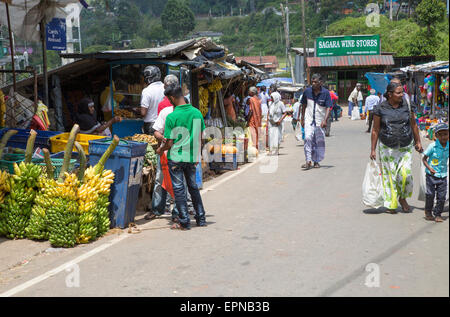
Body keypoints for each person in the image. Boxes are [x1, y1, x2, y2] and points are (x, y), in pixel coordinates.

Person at [157, 85, 207, 230]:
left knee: (179, 189)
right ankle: (201, 218)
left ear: (172, 98)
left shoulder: (172, 117)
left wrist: (161, 149)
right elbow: (200, 137)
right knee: (193, 188)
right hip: (192, 157)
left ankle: (184, 221)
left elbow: (170, 142)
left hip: (177, 158)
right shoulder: (197, 113)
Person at [370, 82, 423, 213]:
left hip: (405, 146)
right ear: (390, 94)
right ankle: (391, 203)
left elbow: (414, 125)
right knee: (390, 177)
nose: (402, 95)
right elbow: (375, 129)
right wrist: (372, 149)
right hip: (387, 147)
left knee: (406, 175)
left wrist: (418, 141)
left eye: (402, 92)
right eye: (398, 93)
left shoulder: (407, 106)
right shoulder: (380, 108)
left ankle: (402, 197)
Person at [300, 74, 332, 170]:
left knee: (318, 141)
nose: (313, 84)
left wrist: (325, 120)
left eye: (315, 82)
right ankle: (308, 160)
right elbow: (303, 105)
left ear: (320, 83)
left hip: (319, 121)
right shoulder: (307, 91)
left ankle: (316, 161)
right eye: (312, 82)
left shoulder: (326, 93)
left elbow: (328, 108)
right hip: (309, 119)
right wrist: (302, 118)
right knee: (308, 138)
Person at [422, 123, 449, 222]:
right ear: (436, 136)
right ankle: (428, 211)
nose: (443, 137)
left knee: (442, 197)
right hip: (431, 176)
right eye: (440, 134)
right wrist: (429, 168)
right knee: (430, 195)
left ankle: (438, 214)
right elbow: (424, 159)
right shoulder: (432, 146)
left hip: (443, 176)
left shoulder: (448, 146)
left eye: (445, 134)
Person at [140, 66, 165, 135]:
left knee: (151, 145)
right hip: (163, 124)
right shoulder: (165, 87)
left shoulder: (147, 91)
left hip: (151, 125)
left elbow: (143, 113)